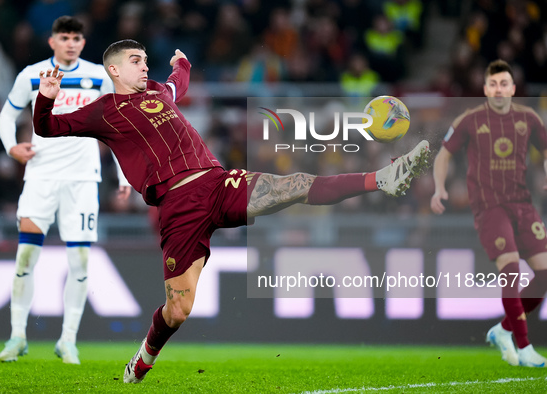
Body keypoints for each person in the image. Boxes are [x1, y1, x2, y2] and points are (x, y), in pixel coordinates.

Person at [33, 39, 430, 383]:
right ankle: (143, 359)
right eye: (136, 61)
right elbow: (47, 128)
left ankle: (382, 178)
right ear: (114, 69)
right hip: (179, 206)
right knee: (178, 310)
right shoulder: (104, 111)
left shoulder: (157, 93)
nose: (144, 66)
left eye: (145, 60)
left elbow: (177, 84)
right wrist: (46, 98)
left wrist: (181, 65)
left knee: (294, 186)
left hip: (218, 182)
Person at [0, 16, 131, 365]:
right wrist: (12, 147)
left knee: (80, 260)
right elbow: (5, 117)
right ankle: (17, 336)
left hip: (83, 178)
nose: (70, 43)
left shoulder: (100, 76)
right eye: (64, 37)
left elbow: (117, 127)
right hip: (40, 175)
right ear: (52, 41)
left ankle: (67, 340)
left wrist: (124, 173)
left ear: (83, 44)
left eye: (76, 38)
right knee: (26, 257)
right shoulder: (31, 75)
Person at [431, 59, 547, 368]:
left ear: (512, 88)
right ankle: (523, 346)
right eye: (493, 84)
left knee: (545, 273)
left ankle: (504, 330)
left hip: (522, 203)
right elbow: (444, 155)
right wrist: (439, 188)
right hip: (489, 206)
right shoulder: (470, 120)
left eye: (504, 84)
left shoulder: (529, 119)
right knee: (510, 269)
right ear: (485, 89)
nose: (498, 90)